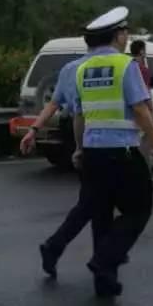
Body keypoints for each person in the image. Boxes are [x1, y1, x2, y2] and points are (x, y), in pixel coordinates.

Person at [71, 7, 153, 298]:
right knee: (140, 208)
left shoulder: (82, 69)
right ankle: (103, 260)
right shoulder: (126, 66)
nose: (127, 38)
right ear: (117, 35)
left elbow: (79, 115)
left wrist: (78, 148)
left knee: (101, 213)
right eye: (125, 33)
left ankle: (105, 281)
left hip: (92, 152)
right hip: (122, 151)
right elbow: (140, 109)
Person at [22, 43, 100, 280]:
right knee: (98, 199)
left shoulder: (69, 69)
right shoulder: (108, 68)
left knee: (93, 200)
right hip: (93, 133)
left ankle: (95, 255)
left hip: (74, 130)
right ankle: (103, 257)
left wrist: (34, 129)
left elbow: (53, 103)